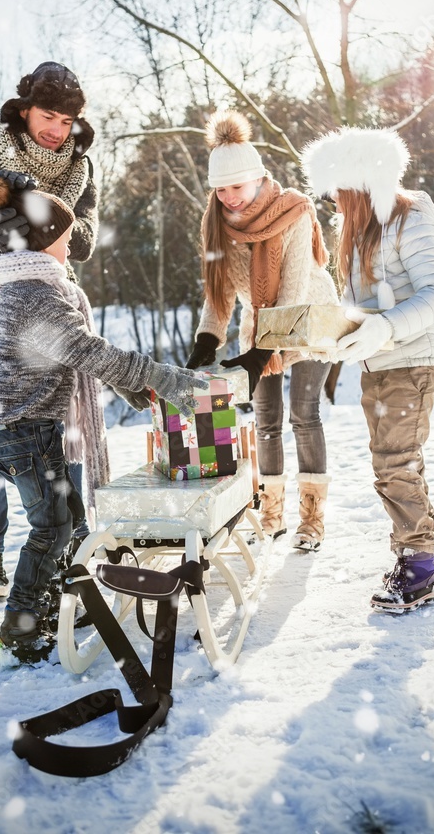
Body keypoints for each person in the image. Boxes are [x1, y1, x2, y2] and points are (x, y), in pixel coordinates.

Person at [0, 173, 207, 662]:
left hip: (35, 427)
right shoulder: (34, 294)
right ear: (41, 241)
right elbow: (89, 351)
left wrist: (126, 383)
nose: (70, 242)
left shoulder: (33, 284)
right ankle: (19, 629)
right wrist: (159, 377)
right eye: (63, 234)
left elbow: (78, 354)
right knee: (51, 528)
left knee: (69, 520)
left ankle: (56, 608)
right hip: (22, 430)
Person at [0, 62, 99, 601]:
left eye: (67, 120)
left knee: (59, 419)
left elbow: (86, 238)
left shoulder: (79, 170)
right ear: (23, 109)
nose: (57, 129)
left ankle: (70, 539)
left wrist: (43, 228)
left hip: (44, 301)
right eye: (47, 116)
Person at [302, 126, 434, 612]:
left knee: (394, 464)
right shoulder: (356, 229)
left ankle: (419, 566)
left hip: (412, 360)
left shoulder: (411, 213)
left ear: (365, 184)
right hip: (380, 364)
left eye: (342, 195)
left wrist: (383, 328)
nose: (337, 207)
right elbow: (361, 307)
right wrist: (336, 336)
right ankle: (427, 549)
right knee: (398, 460)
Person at [186, 110, 339, 552]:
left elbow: (290, 293)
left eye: (236, 186)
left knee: (303, 414)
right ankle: (272, 513)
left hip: (310, 316)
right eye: (220, 189)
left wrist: (258, 355)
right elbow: (218, 294)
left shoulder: (292, 212)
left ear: (257, 179)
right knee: (266, 422)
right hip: (260, 323)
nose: (229, 197)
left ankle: (313, 519)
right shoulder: (215, 221)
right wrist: (206, 340)